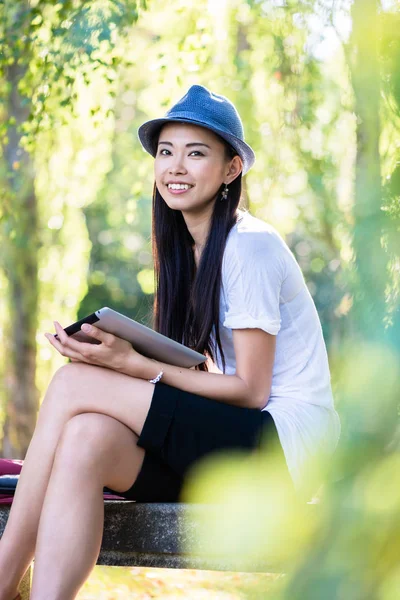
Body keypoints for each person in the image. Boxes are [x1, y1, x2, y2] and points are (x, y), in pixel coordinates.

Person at [0, 85, 340, 599]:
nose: (176, 167)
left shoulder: (249, 247)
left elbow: (250, 390)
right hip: (232, 441)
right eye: (166, 152)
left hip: (284, 450)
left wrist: (135, 366)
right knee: (85, 438)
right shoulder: (188, 251)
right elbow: (204, 378)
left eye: (196, 153)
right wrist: (122, 359)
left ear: (231, 170)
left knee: (72, 384)